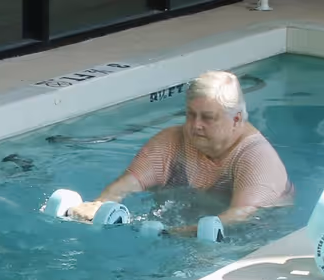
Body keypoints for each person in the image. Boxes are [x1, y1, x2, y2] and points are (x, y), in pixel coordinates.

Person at [65, 70, 294, 232]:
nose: (195, 125)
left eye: (207, 118)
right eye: (191, 114)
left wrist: (176, 234)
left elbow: (241, 216)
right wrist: (99, 205)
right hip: (175, 230)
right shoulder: (172, 142)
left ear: (236, 119)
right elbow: (124, 186)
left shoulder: (256, 158)